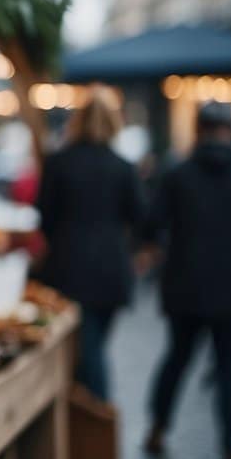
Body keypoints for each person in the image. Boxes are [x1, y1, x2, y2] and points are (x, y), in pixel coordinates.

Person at [143, 101, 231, 459]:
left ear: (199, 128)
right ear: (230, 130)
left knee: (177, 358)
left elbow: (153, 223)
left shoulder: (178, 174)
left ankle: (158, 427)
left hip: (184, 283)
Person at [36, 87, 142, 402]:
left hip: (69, 267)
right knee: (94, 345)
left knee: (86, 348)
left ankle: (93, 420)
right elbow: (139, 218)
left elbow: (45, 217)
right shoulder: (123, 167)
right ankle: (92, 416)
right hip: (111, 268)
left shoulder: (58, 162)